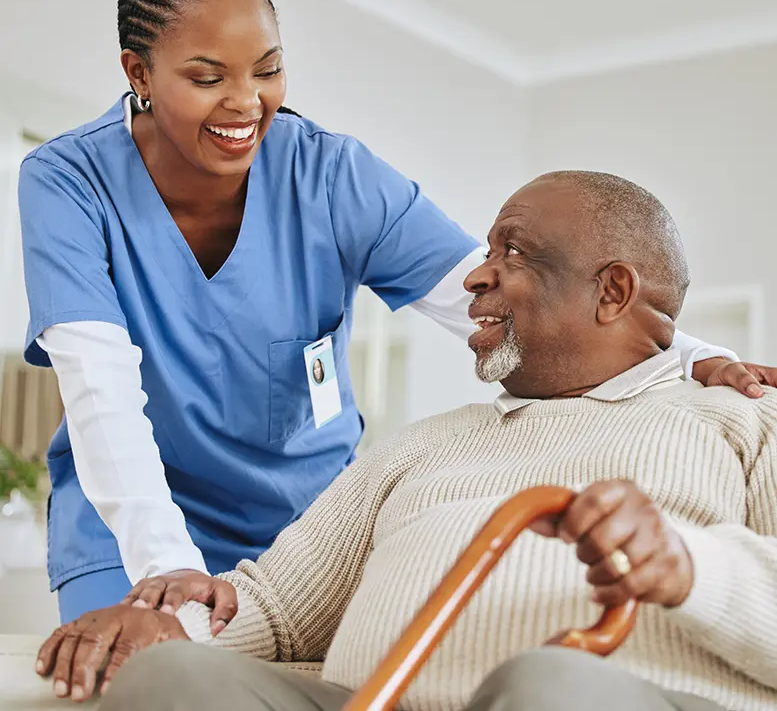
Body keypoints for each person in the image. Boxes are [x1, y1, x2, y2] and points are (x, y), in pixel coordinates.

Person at [18, 0, 772, 627]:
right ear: (137, 71)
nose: (247, 103)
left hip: (306, 533)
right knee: (137, 682)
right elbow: (101, 390)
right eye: (207, 76)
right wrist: (167, 566)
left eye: (269, 69)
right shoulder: (68, 183)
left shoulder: (332, 177)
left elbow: (496, 298)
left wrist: (682, 351)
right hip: (131, 526)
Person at [37, 172, 777, 711]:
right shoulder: (419, 444)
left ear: (611, 292)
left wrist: (690, 567)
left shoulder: (741, 417)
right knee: (170, 677)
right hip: (372, 701)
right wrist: (162, 629)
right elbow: (274, 608)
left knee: (554, 684)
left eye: (512, 253)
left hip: (608, 696)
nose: (476, 276)